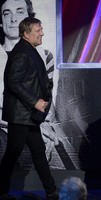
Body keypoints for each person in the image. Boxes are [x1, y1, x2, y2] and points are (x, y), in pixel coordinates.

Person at [0, 17, 58, 199]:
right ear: (26, 34)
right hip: (21, 115)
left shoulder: (28, 50)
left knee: (38, 152)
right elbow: (13, 82)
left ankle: (51, 191)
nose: (42, 33)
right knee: (12, 154)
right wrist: (35, 101)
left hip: (27, 116)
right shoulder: (22, 53)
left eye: (41, 29)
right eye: (38, 30)